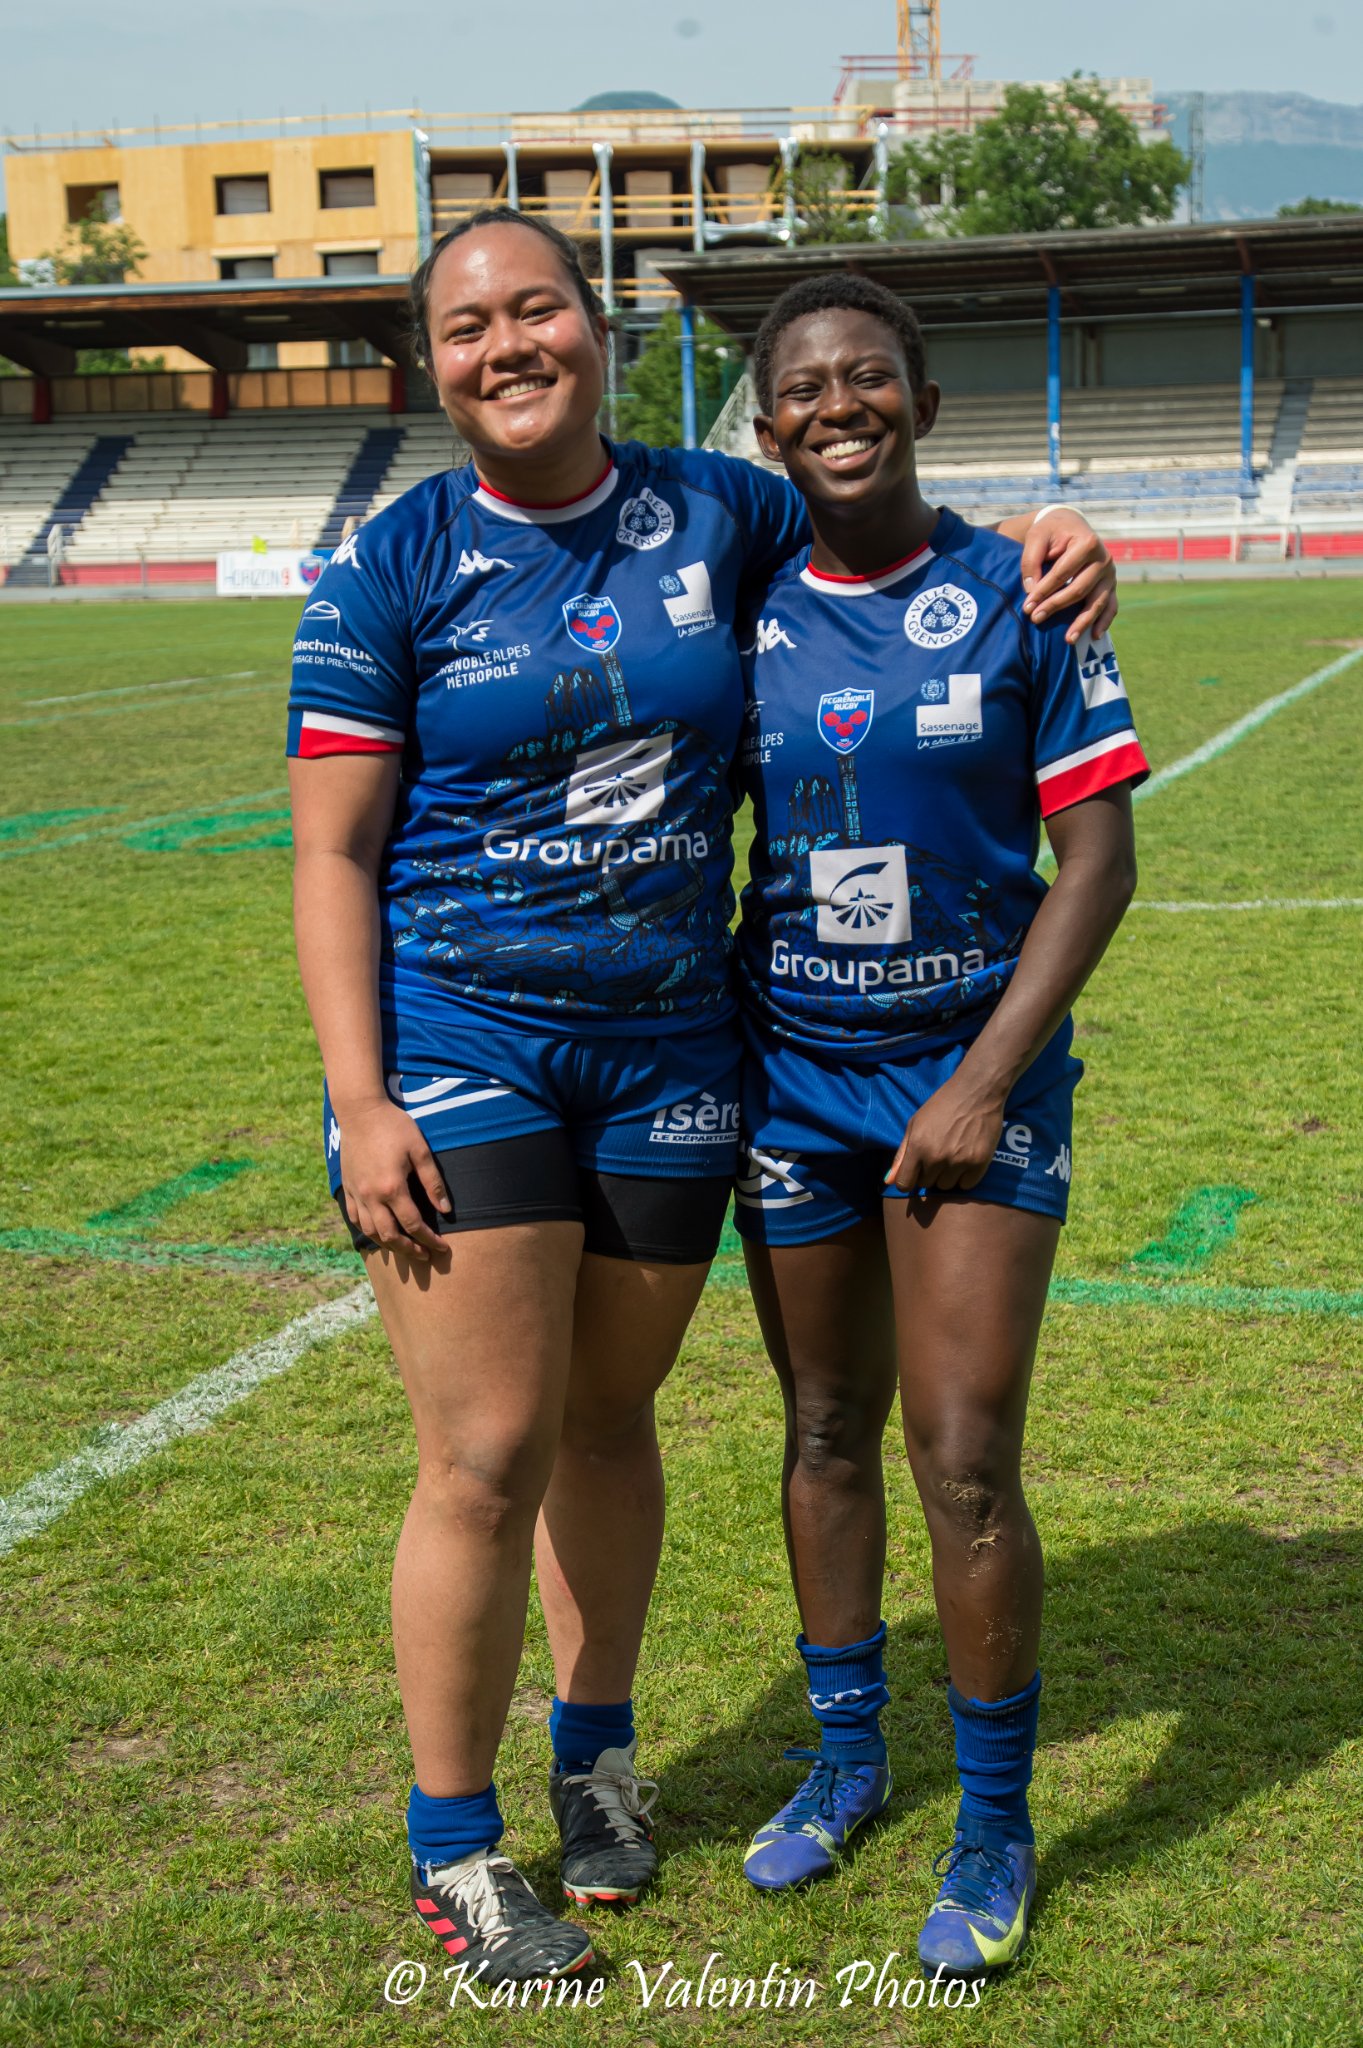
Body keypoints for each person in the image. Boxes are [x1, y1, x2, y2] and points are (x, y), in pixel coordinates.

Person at [286, 207, 1120, 1986]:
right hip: (472, 1043)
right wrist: (359, 1096)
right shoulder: (386, 568)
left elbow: (890, 528)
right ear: (429, 363)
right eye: (465, 326)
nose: (506, 346)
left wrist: (1056, 528)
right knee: (490, 1449)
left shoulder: (717, 512)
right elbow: (331, 854)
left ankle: (599, 1767)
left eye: (537, 311)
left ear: (597, 333)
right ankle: (458, 1851)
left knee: (610, 1425)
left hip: (680, 1058)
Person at [730, 273, 1147, 1977]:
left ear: (920, 397)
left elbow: (1102, 863)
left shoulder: (1021, 592)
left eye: (870, 377)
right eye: (806, 388)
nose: (840, 405)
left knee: (961, 1456)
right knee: (825, 1428)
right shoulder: (740, 591)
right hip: (790, 1079)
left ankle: (991, 1831)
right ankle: (846, 1761)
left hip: (975, 1080)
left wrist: (981, 1077)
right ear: (766, 433)